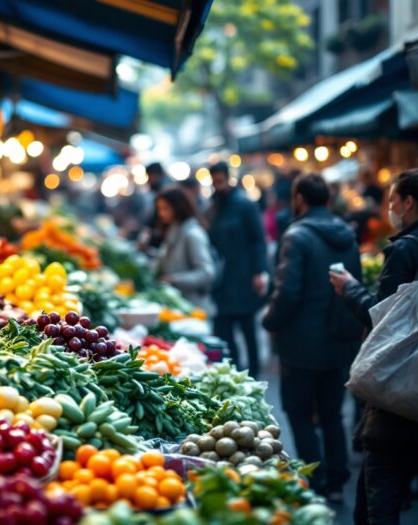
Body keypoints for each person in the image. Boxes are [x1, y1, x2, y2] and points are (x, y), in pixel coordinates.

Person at [330, 165, 418, 525]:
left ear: (408, 202)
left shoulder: (405, 249)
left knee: (379, 509)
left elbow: (381, 318)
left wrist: (349, 288)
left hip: (398, 398)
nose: (389, 208)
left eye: (392, 200)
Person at [263, 174, 362, 502]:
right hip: (340, 340)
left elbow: (287, 292)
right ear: (328, 201)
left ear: (300, 198)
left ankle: (315, 480)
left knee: (300, 412)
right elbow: (355, 285)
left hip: (301, 344)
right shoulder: (347, 234)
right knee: (332, 413)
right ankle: (337, 480)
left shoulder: (297, 235)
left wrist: (270, 320)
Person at [206, 161, 269, 377]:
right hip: (222, 280)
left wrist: (260, 271)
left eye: (221, 178)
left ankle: (254, 374)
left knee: (248, 329)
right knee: (225, 330)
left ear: (227, 177)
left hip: (243, 276)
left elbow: (259, 240)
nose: (218, 183)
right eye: (215, 179)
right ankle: (234, 372)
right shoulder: (213, 206)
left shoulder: (244, 204)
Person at [155, 186, 217, 315]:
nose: (161, 213)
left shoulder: (192, 234)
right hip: (178, 308)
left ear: (178, 207)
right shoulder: (172, 230)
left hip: (194, 309)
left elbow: (207, 273)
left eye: (165, 208)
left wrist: (174, 279)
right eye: (159, 209)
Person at [138, 162, 170, 252]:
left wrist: (144, 237)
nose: (148, 180)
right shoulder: (158, 190)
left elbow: (153, 219)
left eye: (149, 176)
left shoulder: (165, 192)